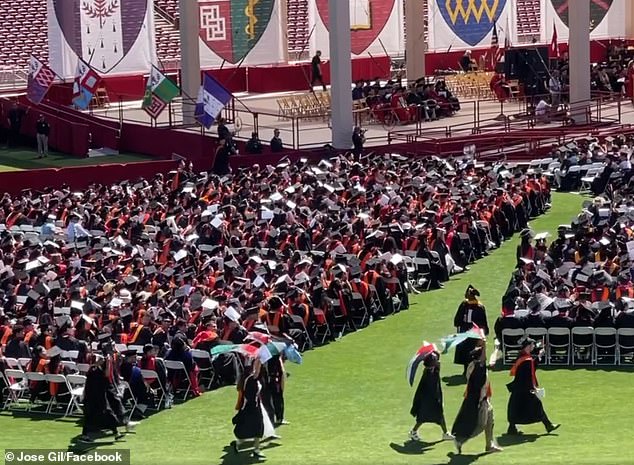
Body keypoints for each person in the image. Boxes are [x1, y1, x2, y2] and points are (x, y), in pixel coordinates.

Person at [451, 342, 502, 454]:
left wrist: (483, 344)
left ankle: (489, 445)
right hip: (480, 401)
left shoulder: (473, 365)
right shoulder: (479, 369)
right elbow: (479, 386)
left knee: (490, 422)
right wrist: (481, 401)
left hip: (484, 399)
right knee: (480, 426)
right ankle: (460, 440)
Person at [506, 338, 560, 435]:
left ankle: (512, 429)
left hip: (518, 387)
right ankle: (548, 425)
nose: (533, 346)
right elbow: (529, 375)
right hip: (526, 388)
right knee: (537, 405)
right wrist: (533, 388)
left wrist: (539, 356)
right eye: (532, 345)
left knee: (516, 407)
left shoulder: (522, 357)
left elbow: (531, 368)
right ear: (528, 346)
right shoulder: (526, 360)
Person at [232, 359, 276, 459]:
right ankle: (252, 448)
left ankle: (253, 448)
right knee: (256, 428)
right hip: (252, 407)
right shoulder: (250, 379)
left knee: (256, 429)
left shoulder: (247, 378)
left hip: (253, 406)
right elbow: (251, 394)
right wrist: (259, 360)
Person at [409, 351, 454, 442]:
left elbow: (439, 363)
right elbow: (428, 389)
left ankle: (445, 433)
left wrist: (435, 353)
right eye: (435, 360)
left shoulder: (434, 369)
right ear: (431, 363)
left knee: (439, 416)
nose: (437, 361)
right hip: (428, 400)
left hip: (434, 398)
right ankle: (413, 431)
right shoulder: (428, 374)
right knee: (423, 417)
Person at [453, 285, 489, 376]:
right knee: (475, 350)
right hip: (476, 332)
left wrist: (459, 325)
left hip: (465, 331)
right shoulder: (479, 306)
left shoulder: (464, 305)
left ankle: (466, 370)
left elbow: (457, 320)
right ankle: (474, 369)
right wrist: (484, 331)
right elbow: (483, 321)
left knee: (466, 351)